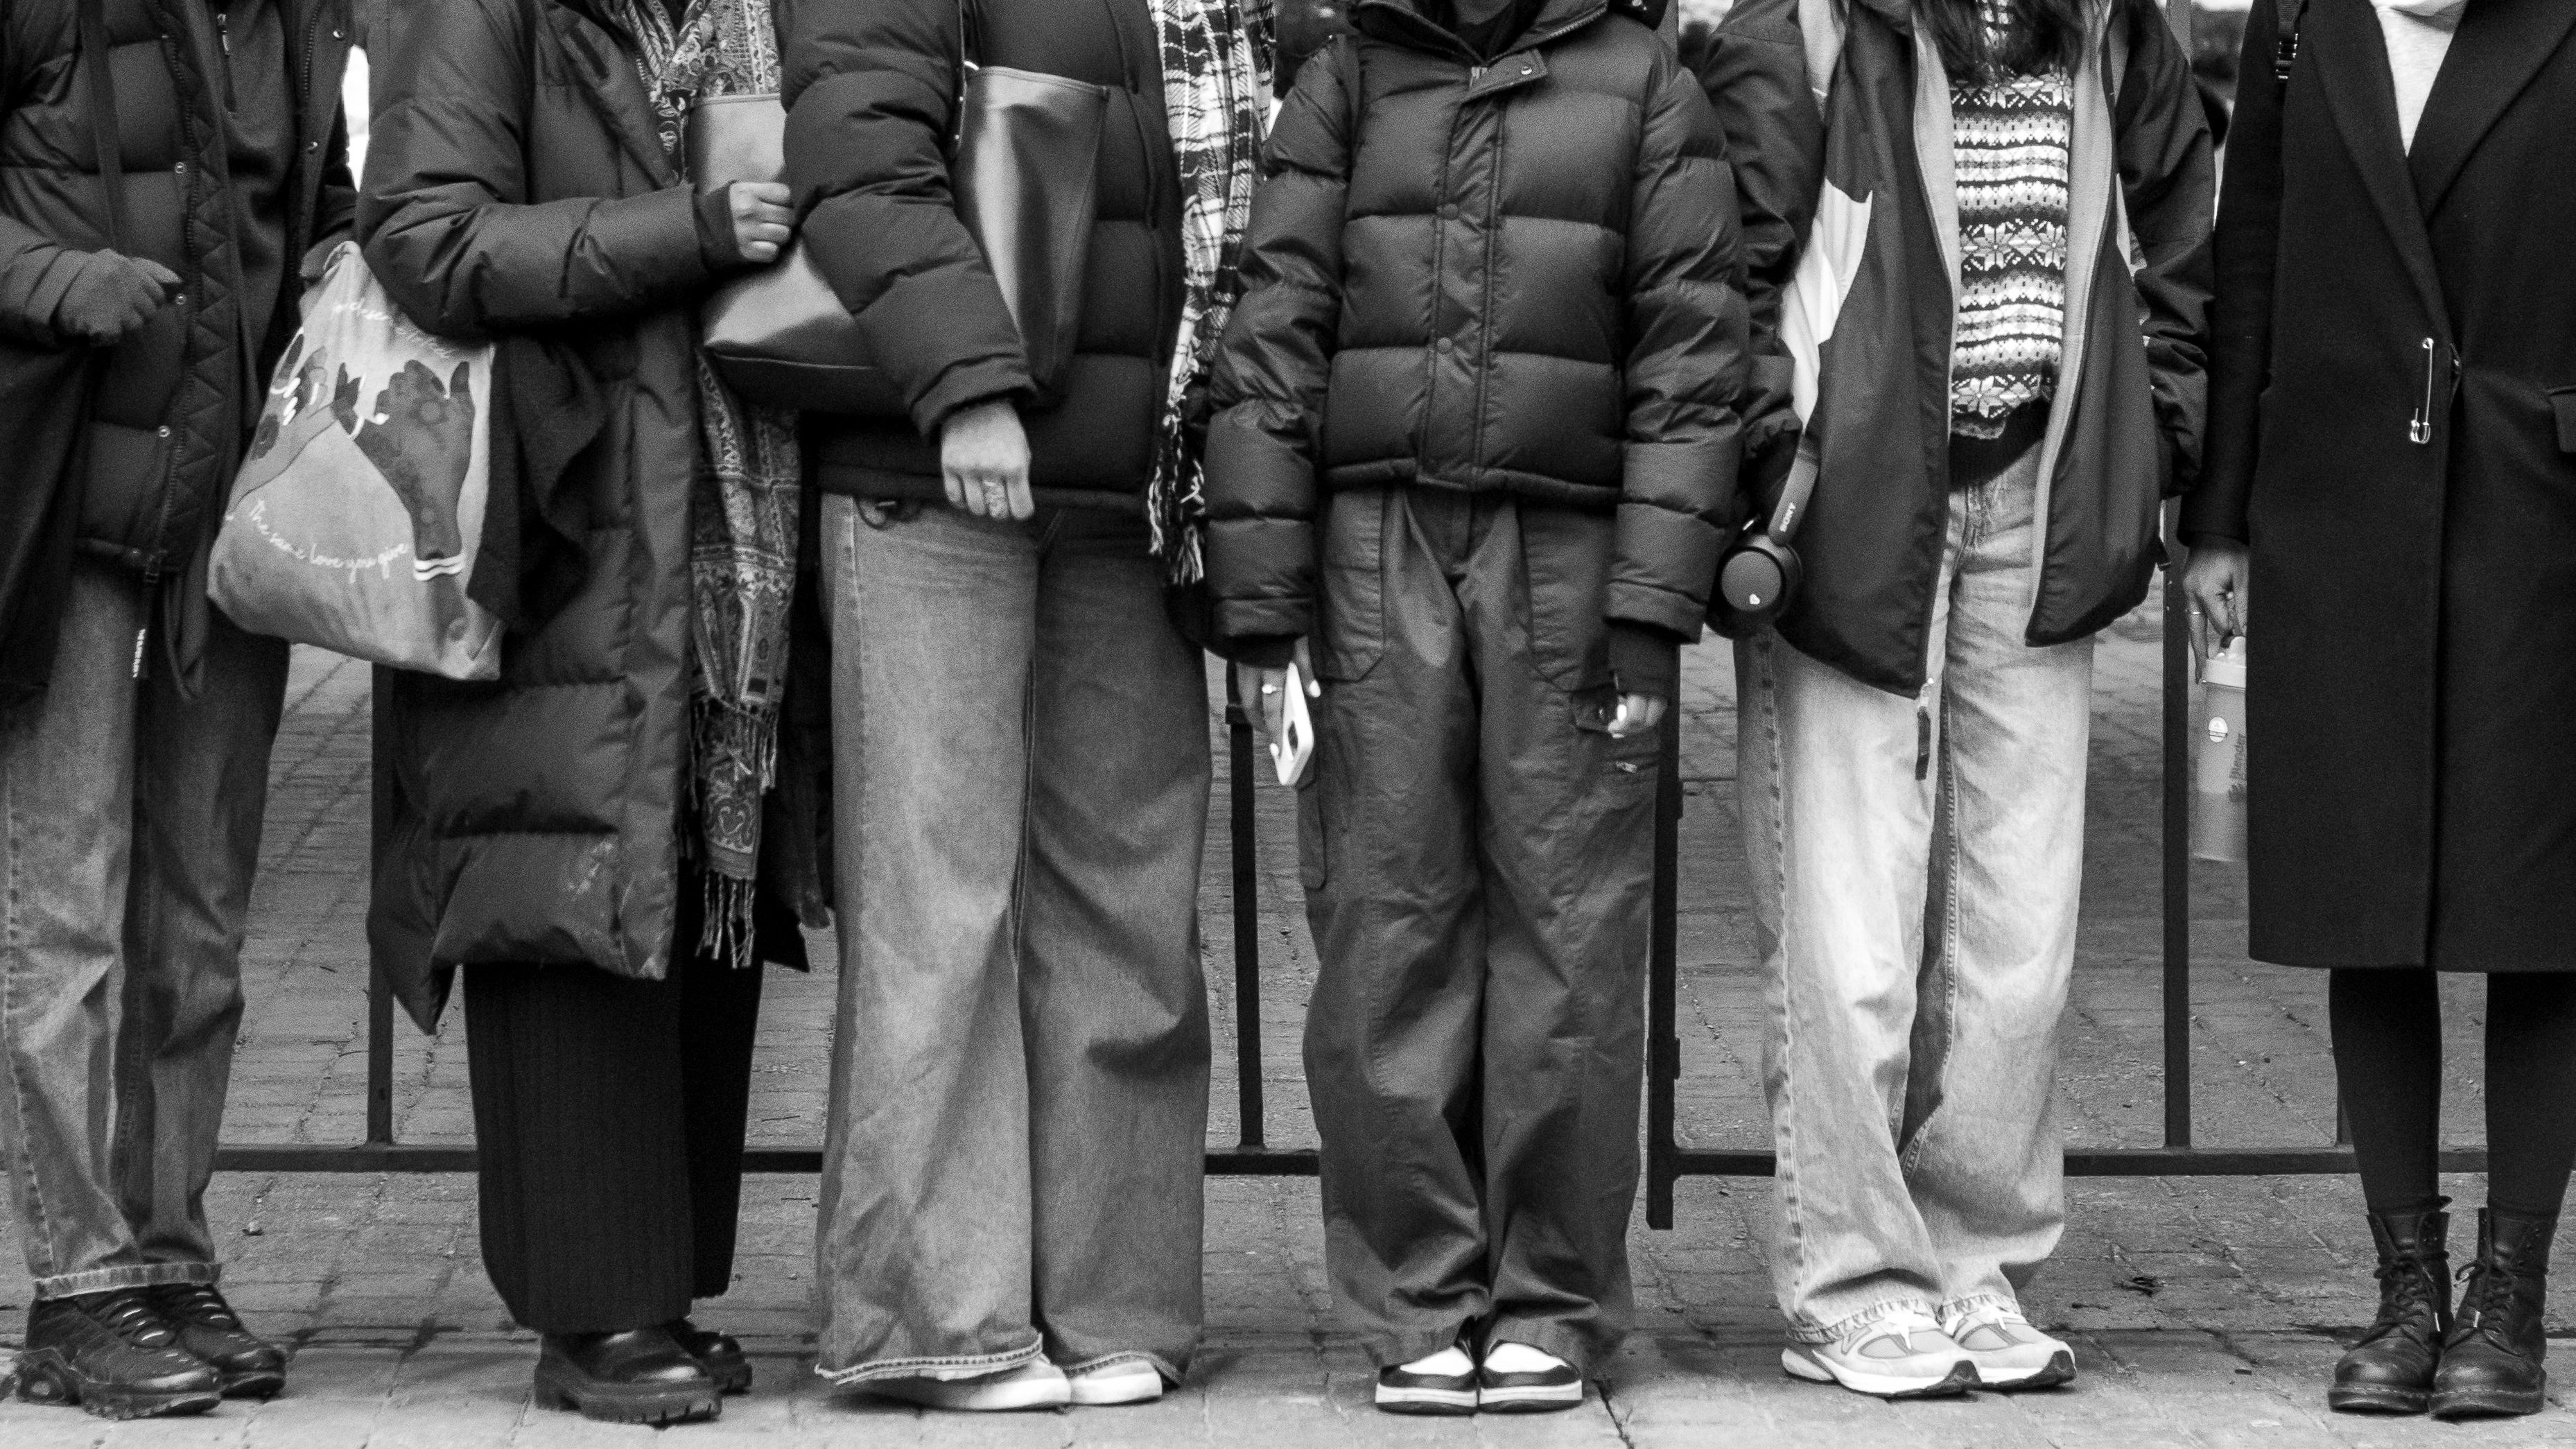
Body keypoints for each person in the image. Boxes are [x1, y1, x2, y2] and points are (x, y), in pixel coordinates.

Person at [1206, 0, 1743, 1416]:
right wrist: (1261, 611)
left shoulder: (1644, 84)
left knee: (1570, 935)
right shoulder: (1347, 74)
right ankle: (1417, 1300)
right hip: (1373, 544)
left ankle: (1551, 1305)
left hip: (1566, 553)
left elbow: (1694, 358)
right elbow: (1271, 334)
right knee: (1385, 920)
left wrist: (1649, 610)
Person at [1704, 0, 2211, 1399]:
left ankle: (1975, 1262)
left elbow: (2187, 247)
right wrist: (1782, 469)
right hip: (1856, 515)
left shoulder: (2108, 29)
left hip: (2034, 506)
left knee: (2017, 944)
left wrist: (2148, 438)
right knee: (1848, 929)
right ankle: (1850, 1283)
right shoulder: (1803, 30)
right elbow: (1720, 282)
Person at [782, 0, 1271, 1414]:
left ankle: (1113, 1304)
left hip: (1130, 488)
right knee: (939, 901)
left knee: (1126, 893)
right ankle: (937, 1316)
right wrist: (964, 379)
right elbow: (856, 148)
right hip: (940, 466)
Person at [360, 0, 825, 1425]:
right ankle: (590, 1308)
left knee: (683, 879)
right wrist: (683, 227)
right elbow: (426, 235)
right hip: (560, 513)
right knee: (557, 880)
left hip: (718, 511)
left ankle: (659, 1285)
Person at [2184, 0, 2576, 1423]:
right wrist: (2217, 519)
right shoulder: (2305, 19)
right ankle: (2405, 1291)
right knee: (2369, 903)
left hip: (2541, 518)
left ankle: (2509, 1299)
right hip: (2336, 509)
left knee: (2543, 919)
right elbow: (2247, 268)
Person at [0, 0, 354, 1419]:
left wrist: (344, 257)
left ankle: (166, 1256)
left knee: (198, 918)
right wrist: (49, 280)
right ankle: (76, 1291)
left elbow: (316, 209)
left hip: (233, 511)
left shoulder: (297, 17)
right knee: (69, 909)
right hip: (63, 502)